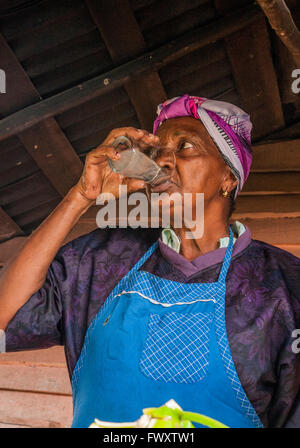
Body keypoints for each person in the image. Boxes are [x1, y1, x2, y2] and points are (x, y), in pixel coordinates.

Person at [0, 94, 299, 428]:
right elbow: (4, 318)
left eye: (186, 146)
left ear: (229, 178)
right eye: (158, 153)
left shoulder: (284, 285)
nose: (164, 162)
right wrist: (80, 197)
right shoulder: (100, 259)